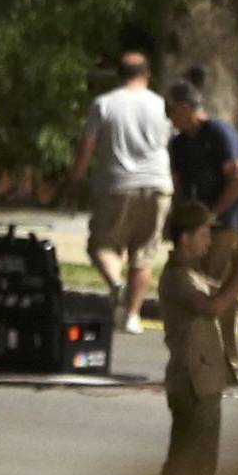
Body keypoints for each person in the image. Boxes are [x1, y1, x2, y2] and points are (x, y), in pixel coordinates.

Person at [70, 48, 173, 335]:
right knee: (144, 251)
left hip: (116, 184)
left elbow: (88, 145)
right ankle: (132, 315)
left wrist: (76, 178)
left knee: (102, 244)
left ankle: (116, 283)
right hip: (157, 183)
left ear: (118, 75)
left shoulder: (104, 104)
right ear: (147, 76)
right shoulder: (160, 104)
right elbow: (167, 142)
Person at [156, 197, 238, 475]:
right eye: (203, 235)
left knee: (199, 465)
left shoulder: (190, 273)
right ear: (185, 239)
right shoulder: (177, 277)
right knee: (188, 463)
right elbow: (212, 306)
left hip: (203, 380)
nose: (209, 241)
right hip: (192, 382)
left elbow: (220, 295)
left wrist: (233, 278)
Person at [165, 77, 238, 377]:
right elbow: (180, 186)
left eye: (171, 110)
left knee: (223, 294)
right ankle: (200, 359)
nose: (168, 117)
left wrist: (212, 214)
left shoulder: (217, 132)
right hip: (200, 227)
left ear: (185, 107)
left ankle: (227, 365)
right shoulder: (179, 143)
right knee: (197, 289)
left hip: (231, 223)